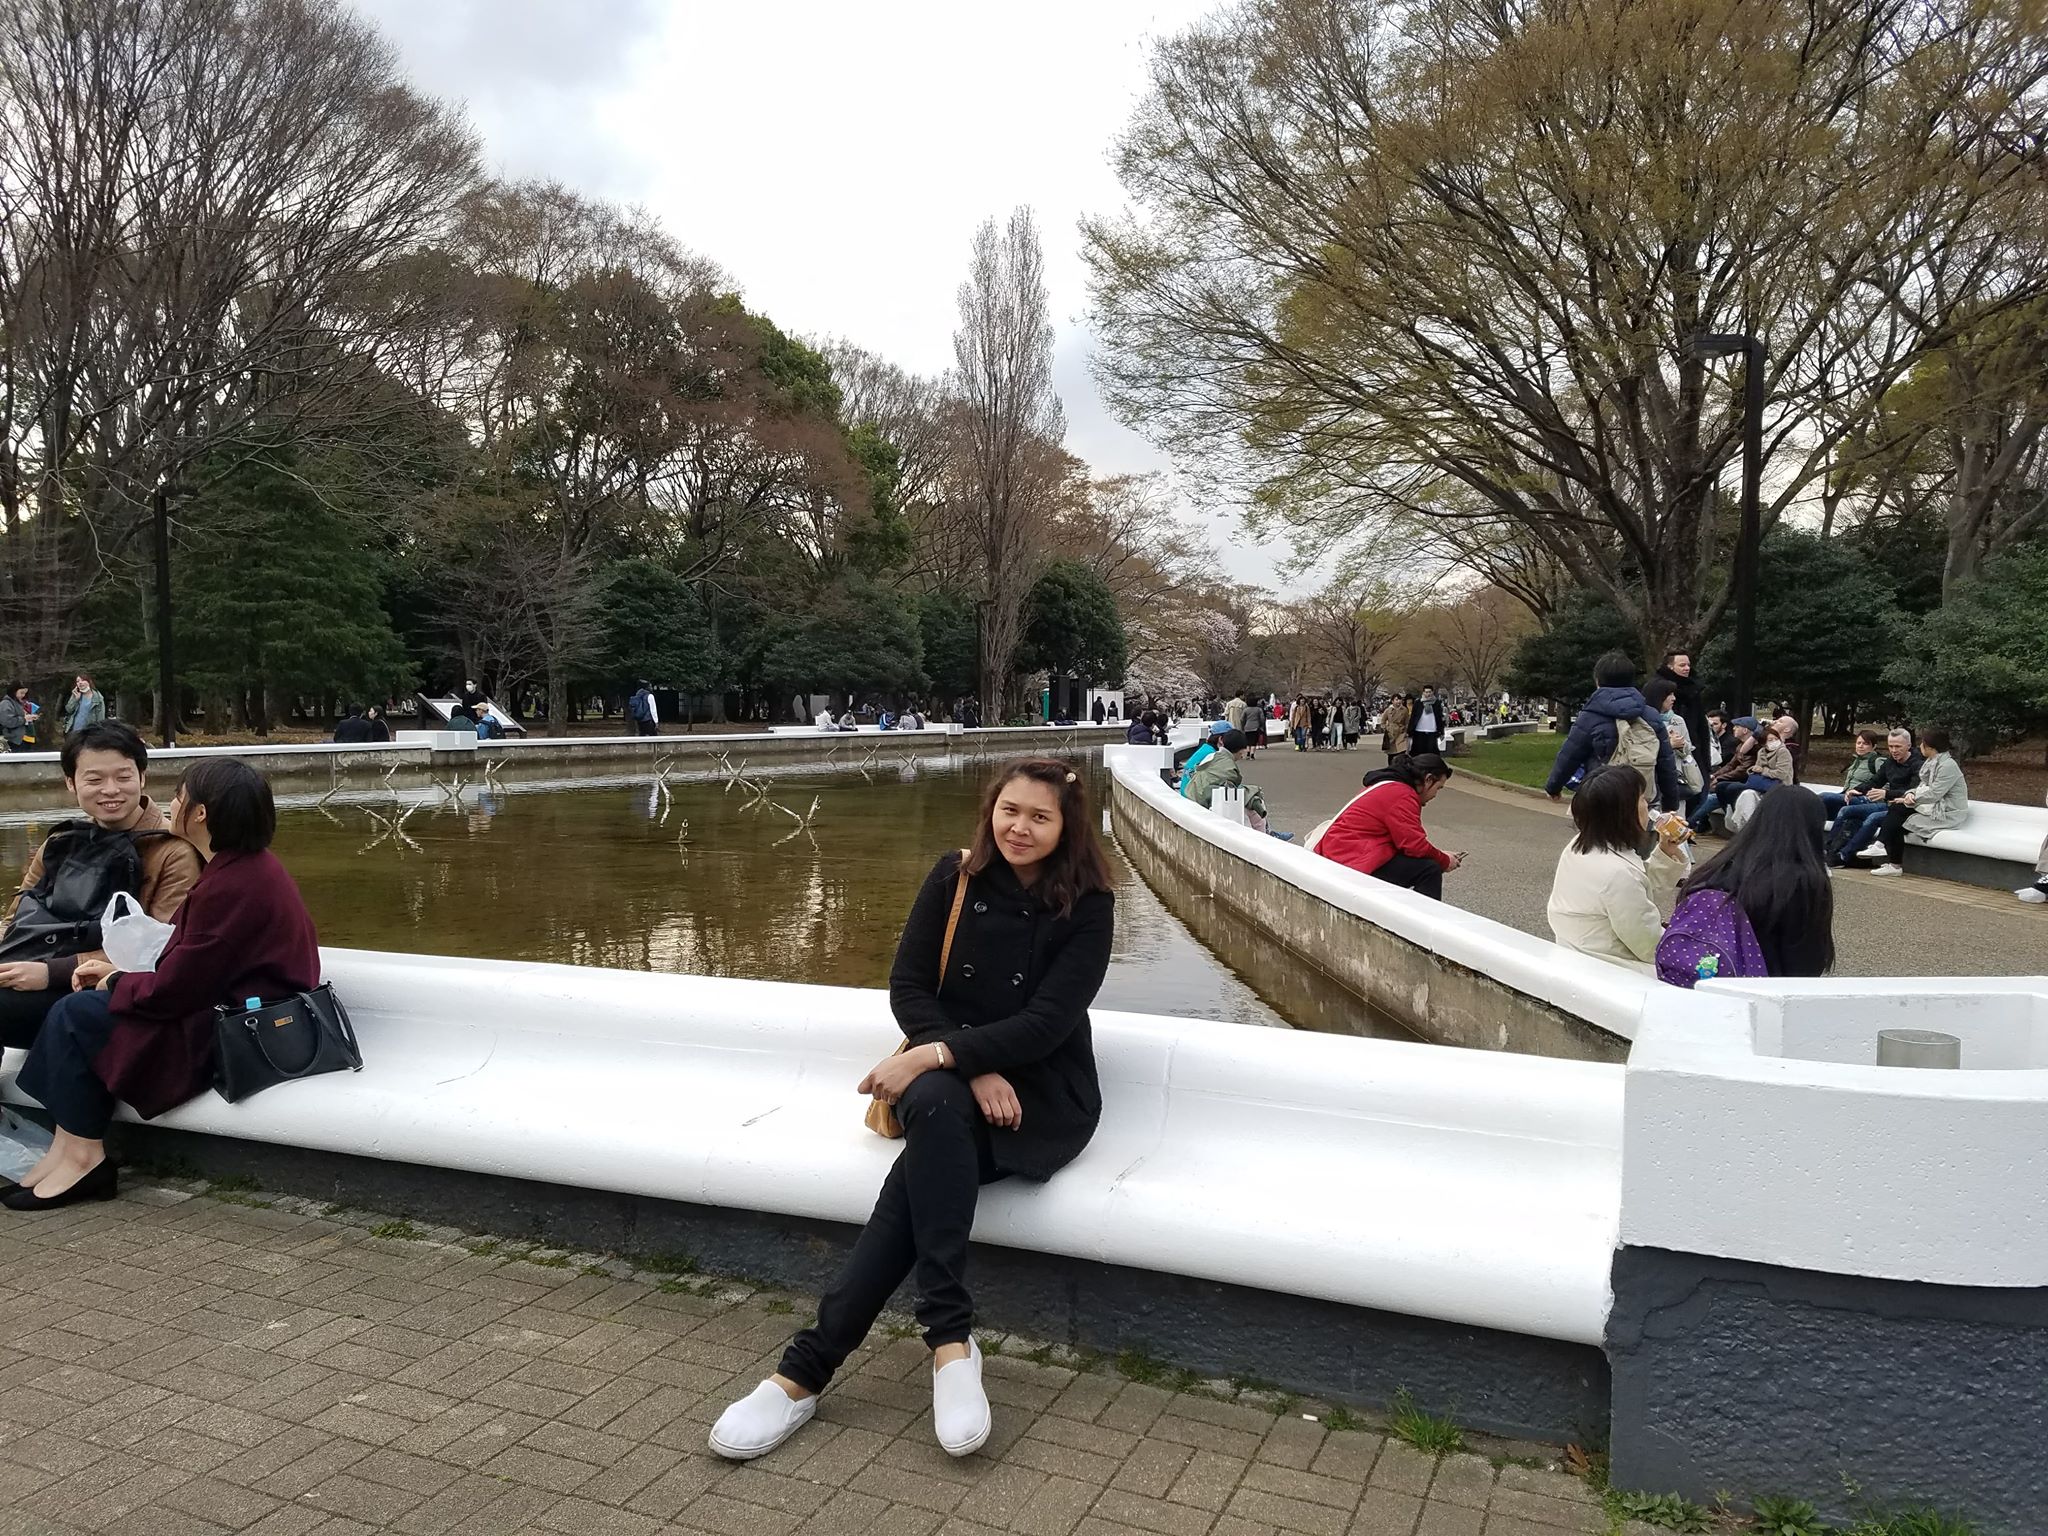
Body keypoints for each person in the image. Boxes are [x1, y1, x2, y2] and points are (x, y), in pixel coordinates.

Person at [711, 760, 1114, 1462]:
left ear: (1066, 827)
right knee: (933, 1111)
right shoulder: (953, 877)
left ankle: (803, 1372)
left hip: (1042, 1095)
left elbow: (1048, 1023)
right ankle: (949, 1345)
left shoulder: (1089, 904)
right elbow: (909, 987)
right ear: (990, 809)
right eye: (1008, 810)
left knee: (918, 1156)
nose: (1019, 827)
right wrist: (969, 1065)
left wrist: (932, 1058)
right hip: (956, 1082)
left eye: (1039, 817)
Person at [5, 759, 320, 1210]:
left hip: (229, 1030)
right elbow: (194, 966)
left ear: (200, 814)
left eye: (180, 796)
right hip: (239, 1011)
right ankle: (67, 1148)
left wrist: (117, 980)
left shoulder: (230, 885)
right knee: (77, 1012)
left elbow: (176, 992)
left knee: (75, 1016)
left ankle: (85, 1156)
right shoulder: (246, 869)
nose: (172, 805)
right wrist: (120, 978)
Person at [0, 723, 203, 1050]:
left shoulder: (173, 851)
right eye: (94, 780)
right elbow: (17, 919)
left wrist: (51, 973)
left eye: (123, 777)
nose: (111, 790)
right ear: (71, 783)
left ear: (142, 777)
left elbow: (164, 950)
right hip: (39, 968)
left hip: (108, 990)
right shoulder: (61, 843)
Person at [1657, 786, 1834, 987]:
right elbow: (1806, 964)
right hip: (1764, 991)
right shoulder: (1804, 880)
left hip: (1702, 984)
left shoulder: (1720, 865)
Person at [1546, 765, 1691, 974]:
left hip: (1580, 953)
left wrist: (1665, 851)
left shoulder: (1581, 845)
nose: (1647, 804)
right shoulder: (1617, 874)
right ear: (1625, 812)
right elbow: (1648, 945)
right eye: (1641, 798)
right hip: (1611, 969)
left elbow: (1637, 889)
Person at [1308, 753, 1465, 900]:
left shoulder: (1388, 785)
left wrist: (1439, 855)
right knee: (1429, 870)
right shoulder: (1403, 795)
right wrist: (1444, 861)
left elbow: (1408, 842)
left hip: (1341, 851)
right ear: (1428, 780)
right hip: (1351, 859)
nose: (1435, 795)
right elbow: (1414, 846)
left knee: (1420, 864)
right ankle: (1425, 922)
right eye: (1438, 788)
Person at [1544, 653, 1684, 811]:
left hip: (1602, 797)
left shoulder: (1590, 716)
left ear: (1598, 680)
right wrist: (1671, 805)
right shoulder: (1650, 715)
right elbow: (1666, 762)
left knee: (1595, 835)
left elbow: (1569, 756)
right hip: (1642, 799)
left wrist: (1553, 787)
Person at [1858, 728, 1969, 878]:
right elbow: (1922, 786)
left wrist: (1910, 798)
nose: (1919, 747)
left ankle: (1889, 858)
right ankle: (1889, 858)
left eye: (1922, 744)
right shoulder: (1932, 762)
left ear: (1930, 747)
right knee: (1896, 812)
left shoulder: (1947, 766)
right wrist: (1910, 794)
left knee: (1897, 816)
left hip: (1947, 812)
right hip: (1932, 806)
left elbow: (1935, 793)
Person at [1689, 715, 1762, 830]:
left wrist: (1719, 779)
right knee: (1707, 793)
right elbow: (1731, 765)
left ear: (1745, 730)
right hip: (1732, 783)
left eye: (1737, 727)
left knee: (1713, 797)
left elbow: (1742, 770)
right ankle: (1694, 824)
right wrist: (1715, 775)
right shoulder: (1740, 746)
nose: (1733, 729)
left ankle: (1689, 824)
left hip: (1742, 785)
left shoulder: (1755, 749)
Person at [1654, 653, 1710, 770]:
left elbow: (1702, 727)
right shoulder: (1656, 687)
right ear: (1670, 666)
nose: (1687, 668)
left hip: (1693, 749)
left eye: (1688, 665)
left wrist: (1706, 763)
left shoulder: (1694, 689)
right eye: (1682, 665)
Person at [1408, 688, 1445, 756]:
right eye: (1426, 692)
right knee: (1418, 752)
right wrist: (1410, 730)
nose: (1428, 694)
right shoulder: (1418, 702)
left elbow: (1439, 718)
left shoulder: (1436, 703)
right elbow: (1413, 717)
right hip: (1419, 730)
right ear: (1423, 693)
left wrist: (1441, 732)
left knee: (1431, 752)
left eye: (1429, 692)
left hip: (1432, 730)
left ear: (1432, 692)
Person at [0, 685, 27, 752]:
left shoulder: (18, 702)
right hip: (11, 739)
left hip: (21, 738)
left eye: (24, 693)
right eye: (21, 693)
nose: (23, 695)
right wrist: (24, 719)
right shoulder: (6, 704)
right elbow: (7, 721)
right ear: (14, 692)